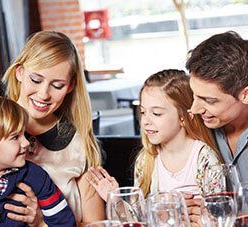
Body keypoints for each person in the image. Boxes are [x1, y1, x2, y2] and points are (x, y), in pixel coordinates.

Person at [1, 31, 105, 227]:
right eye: (36, 80)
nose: (44, 94)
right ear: (19, 73)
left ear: (70, 86)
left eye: (57, 85)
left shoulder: (79, 144)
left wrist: (42, 221)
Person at [0, 95, 83, 227]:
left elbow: (62, 223)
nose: (26, 142)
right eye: (15, 137)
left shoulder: (35, 175)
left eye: (23, 134)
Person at [87, 69, 222, 201]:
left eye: (156, 113)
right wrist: (115, 200)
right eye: (143, 112)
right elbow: (137, 217)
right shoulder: (146, 160)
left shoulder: (204, 159)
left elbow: (219, 213)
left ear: (184, 117)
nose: (145, 121)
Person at [184, 31, 248, 227]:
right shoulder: (199, 126)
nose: (194, 108)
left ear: (245, 94)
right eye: (194, 95)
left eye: (209, 101)